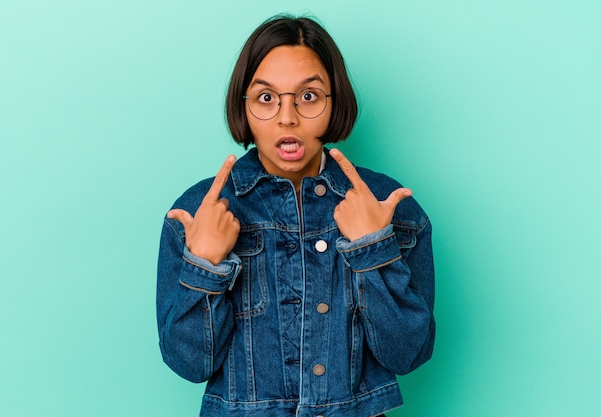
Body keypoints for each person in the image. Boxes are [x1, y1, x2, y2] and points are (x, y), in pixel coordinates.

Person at [156, 15, 435, 417]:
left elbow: (408, 354)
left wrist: (373, 250)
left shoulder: (391, 207)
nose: (288, 118)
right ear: (244, 106)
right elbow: (189, 364)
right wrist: (205, 265)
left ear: (334, 101)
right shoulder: (198, 212)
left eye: (308, 96)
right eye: (267, 98)